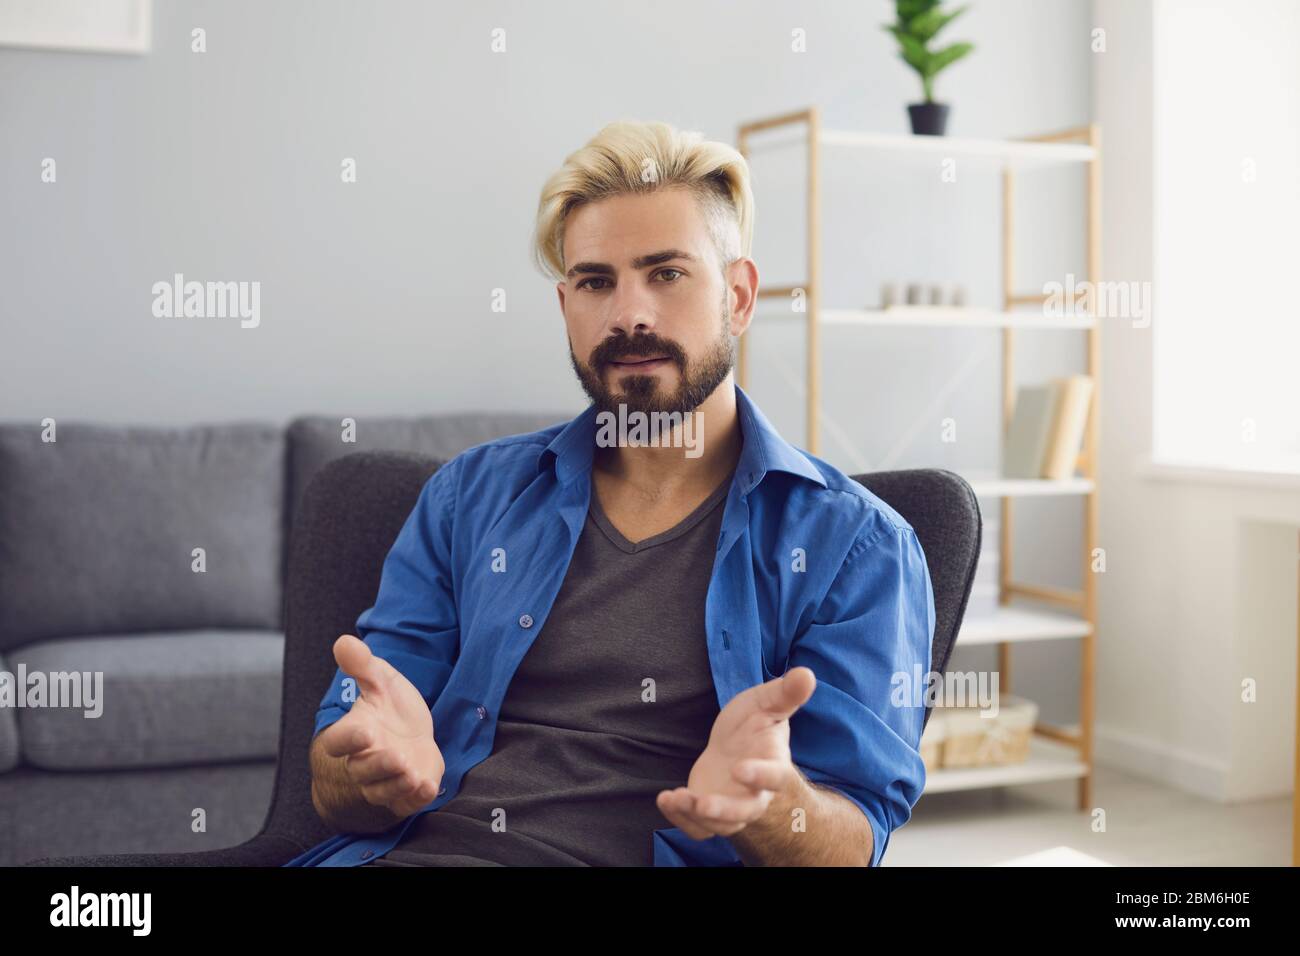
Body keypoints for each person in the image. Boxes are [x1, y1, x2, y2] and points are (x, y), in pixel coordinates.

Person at [283, 120, 934, 868]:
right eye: (597, 281)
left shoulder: (855, 547)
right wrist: (362, 768)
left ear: (741, 297)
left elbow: (853, 841)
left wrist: (774, 806)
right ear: (566, 307)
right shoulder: (468, 498)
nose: (629, 314)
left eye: (667, 273)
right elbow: (335, 786)